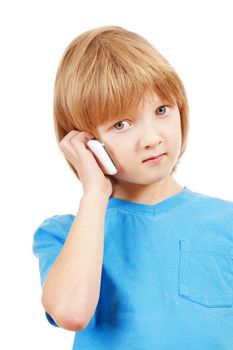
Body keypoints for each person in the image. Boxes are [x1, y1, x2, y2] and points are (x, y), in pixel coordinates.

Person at [32, 25, 233, 349]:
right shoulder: (64, 234)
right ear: (86, 142)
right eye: (121, 124)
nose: (152, 138)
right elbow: (71, 312)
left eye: (161, 110)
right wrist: (95, 195)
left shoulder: (226, 221)